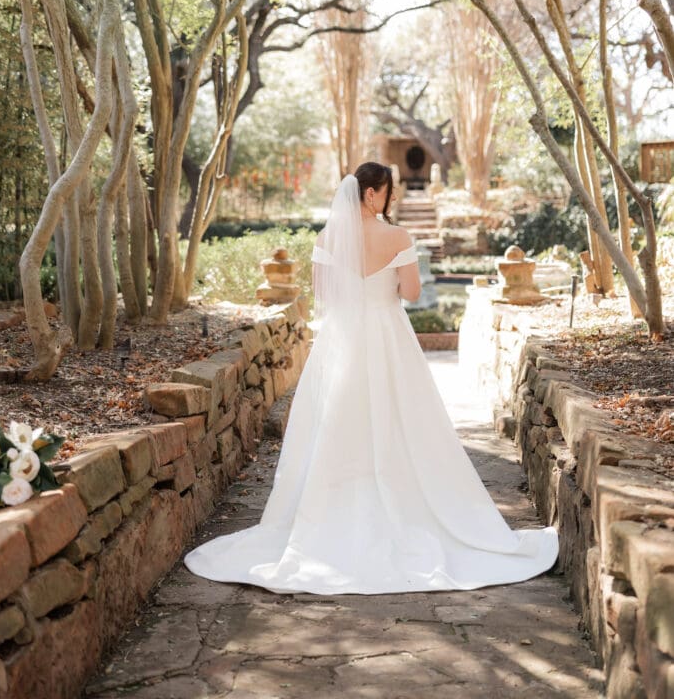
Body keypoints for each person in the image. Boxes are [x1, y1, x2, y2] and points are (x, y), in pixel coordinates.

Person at [183, 161, 559, 594]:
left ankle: (332, 515)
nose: (392, 198)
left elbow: (323, 294)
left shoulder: (327, 238)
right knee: (401, 419)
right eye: (388, 192)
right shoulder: (397, 236)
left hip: (342, 340)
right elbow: (413, 293)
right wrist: (388, 282)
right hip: (387, 335)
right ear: (371, 194)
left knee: (339, 423)